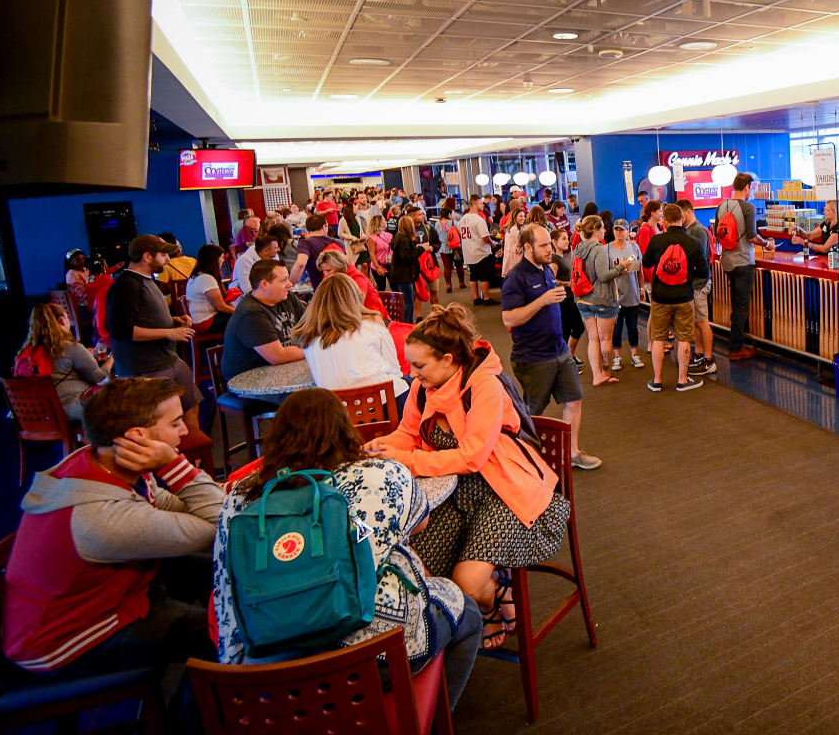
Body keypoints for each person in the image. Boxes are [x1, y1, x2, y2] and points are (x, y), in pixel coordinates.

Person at [210, 389, 480, 703]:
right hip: (361, 662)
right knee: (466, 610)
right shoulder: (379, 474)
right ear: (345, 430)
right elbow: (420, 522)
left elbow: (223, 577)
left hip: (263, 674)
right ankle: (424, 717)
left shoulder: (240, 496)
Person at [3, 376, 220, 721]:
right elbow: (218, 525)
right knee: (217, 635)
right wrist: (174, 465)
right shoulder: (103, 518)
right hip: (68, 642)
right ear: (138, 437)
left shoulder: (105, 460)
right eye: (175, 423)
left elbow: (171, 506)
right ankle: (195, 722)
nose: (184, 431)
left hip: (112, 595)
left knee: (212, 571)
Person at [363, 305, 572, 651]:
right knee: (419, 567)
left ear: (447, 360)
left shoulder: (484, 386)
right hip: (454, 490)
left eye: (418, 365)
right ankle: (489, 590)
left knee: (467, 583)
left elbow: (472, 458)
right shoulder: (422, 389)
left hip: (505, 490)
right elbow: (408, 433)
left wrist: (405, 459)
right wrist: (383, 445)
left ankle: (491, 597)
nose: (412, 374)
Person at [502, 224, 601, 470]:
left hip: (560, 351)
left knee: (574, 400)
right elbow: (509, 319)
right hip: (533, 356)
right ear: (527, 248)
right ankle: (528, 462)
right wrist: (542, 301)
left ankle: (572, 453)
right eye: (544, 245)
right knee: (532, 412)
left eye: (549, 243)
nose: (550, 249)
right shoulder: (516, 279)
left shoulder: (545, 269)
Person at [106, 234, 210, 449]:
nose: (168, 260)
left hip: (168, 359)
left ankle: (193, 457)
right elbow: (122, 331)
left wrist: (173, 321)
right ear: (146, 256)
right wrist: (168, 333)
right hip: (145, 367)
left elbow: (144, 317)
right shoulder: (125, 285)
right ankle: (168, 464)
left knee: (191, 405)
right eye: (163, 255)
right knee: (159, 422)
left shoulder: (147, 280)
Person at [294, 273, 408, 399]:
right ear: (354, 298)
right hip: (385, 402)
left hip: (339, 411)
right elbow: (395, 370)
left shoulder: (309, 339)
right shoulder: (371, 325)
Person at [642, 204, 708, 393]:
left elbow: (646, 263)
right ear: (682, 218)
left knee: (658, 337)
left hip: (660, 296)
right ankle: (682, 380)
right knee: (685, 338)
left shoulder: (656, 240)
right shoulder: (693, 242)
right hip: (684, 296)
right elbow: (704, 271)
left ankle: (656, 380)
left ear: (664, 219)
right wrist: (689, 280)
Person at [14, 301, 110, 423]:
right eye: (67, 317)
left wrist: (84, 354)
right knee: (115, 405)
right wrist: (114, 356)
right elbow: (99, 377)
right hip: (68, 410)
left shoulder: (24, 353)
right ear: (61, 321)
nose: (69, 320)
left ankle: (84, 437)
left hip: (35, 414)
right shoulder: (70, 348)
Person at [220, 259, 306, 382]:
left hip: (280, 371)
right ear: (264, 284)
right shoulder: (250, 313)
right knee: (312, 396)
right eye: (283, 280)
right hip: (249, 381)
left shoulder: (287, 297)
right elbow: (278, 356)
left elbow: (310, 326)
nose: (290, 284)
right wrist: (314, 351)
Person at [719, 172, 775, 360]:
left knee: (735, 304)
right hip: (743, 261)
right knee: (741, 306)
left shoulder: (722, 206)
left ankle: (736, 342)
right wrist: (767, 244)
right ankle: (735, 348)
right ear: (747, 188)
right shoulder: (748, 208)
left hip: (727, 261)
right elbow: (752, 236)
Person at [573, 214, 631, 385]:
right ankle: (605, 372)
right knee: (605, 339)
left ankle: (596, 374)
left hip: (582, 299)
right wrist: (622, 266)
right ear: (596, 231)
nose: (605, 231)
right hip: (602, 299)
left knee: (593, 338)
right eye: (603, 228)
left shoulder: (579, 247)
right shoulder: (599, 249)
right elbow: (604, 276)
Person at [678, 200, 717, 376]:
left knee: (702, 321)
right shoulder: (688, 230)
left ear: (687, 212)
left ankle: (708, 359)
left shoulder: (698, 231)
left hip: (700, 283)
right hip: (692, 283)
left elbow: (702, 258)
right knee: (695, 321)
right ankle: (699, 353)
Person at [609, 219, 645, 370]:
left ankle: (634, 354)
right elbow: (605, 273)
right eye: (616, 229)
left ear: (626, 231)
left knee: (632, 326)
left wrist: (641, 288)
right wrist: (618, 270)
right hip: (615, 294)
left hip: (632, 292)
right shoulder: (607, 249)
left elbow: (640, 270)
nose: (619, 232)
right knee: (616, 327)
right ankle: (617, 356)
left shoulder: (633, 246)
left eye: (622, 230)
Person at [550, 227, 587, 369]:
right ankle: (566, 362)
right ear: (554, 241)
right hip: (563, 300)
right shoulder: (554, 259)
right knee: (568, 330)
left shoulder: (561, 257)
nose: (567, 241)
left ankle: (569, 357)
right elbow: (552, 280)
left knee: (577, 328)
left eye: (567, 238)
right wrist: (568, 283)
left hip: (571, 298)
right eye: (563, 239)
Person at [186, 244, 236, 334]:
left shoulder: (196, 276)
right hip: (205, 321)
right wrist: (240, 312)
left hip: (199, 319)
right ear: (214, 260)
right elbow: (220, 307)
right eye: (222, 257)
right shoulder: (206, 278)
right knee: (246, 320)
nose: (223, 260)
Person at [458, 194, 495, 306]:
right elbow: (484, 236)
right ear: (474, 205)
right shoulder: (478, 219)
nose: (482, 205)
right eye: (480, 203)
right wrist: (492, 243)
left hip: (469, 251)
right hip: (480, 251)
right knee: (484, 276)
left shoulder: (463, 219)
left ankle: (476, 298)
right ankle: (487, 298)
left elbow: (461, 233)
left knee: (473, 275)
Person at [388, 214, 424, 325]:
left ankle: (405, 323)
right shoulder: (404, 239)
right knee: (408, 302)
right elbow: (407, 257)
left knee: (405, 301)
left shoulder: (398, 237)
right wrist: (421, 249)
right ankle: (407, 324)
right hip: (404, 275)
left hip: (399, 274)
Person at [635, 200, 663, 296]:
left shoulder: (660, 227)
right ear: (652, 212)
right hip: (652, 274)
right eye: (660, 211)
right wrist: (652, 277)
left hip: (661, 272)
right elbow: (645, 255)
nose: (661, 213)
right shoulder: (645, 230)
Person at [437, 198, 465, 292]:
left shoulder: (437, 224)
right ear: (449, 214)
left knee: (447, 267)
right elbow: (460, 233)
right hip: (455, 246)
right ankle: (461, 282)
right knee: (459, 265)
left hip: (443, 247)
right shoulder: (453, 222)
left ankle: (448, 285)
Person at [501, 204, 529, 279]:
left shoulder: (516, 228)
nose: (523, 218)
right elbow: (522, 242)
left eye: (524, 216)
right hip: (514, 258)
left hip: (515, 257)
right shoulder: (513, 229)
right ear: (515, 217)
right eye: (520, 216)